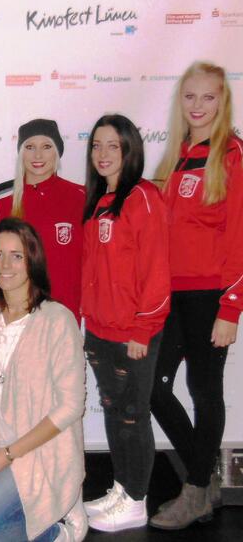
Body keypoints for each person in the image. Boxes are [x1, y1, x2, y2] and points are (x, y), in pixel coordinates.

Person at [149, 62, 243, 530]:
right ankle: (203, 478)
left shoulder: (231, 155)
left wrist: (230, 308)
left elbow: (238, 238)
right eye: (190, 96)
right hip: (172, 298)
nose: (198, 106)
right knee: (153, 388)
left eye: (208, 97)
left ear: (222, 101)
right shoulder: (176, 157)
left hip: (211, 297)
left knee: (205, 393)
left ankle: (195, 492)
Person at [0, 218, 87, 542]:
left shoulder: (57, 320)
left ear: (33, 260)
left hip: (41, 451)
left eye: (17, 255)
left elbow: (71, 406)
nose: (5, 264)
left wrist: (9, 454)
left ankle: (56, 532)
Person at [81, 114, 170, 533]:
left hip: (133, 335)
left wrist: (143, 329)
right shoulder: (99, 200)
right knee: (116, 415)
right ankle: (122, 487)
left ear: (130, 149)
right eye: (97, 145)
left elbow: (155, 271)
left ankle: (136, 499)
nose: (103, 154)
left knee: (134, 416)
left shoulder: (144, 197)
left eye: (113, 145)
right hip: (100, 332)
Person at [0, 119, 85, 322]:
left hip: (65, 315)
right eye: (30, 147)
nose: (38, 155)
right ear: (20, 152)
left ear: (57, 152)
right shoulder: (3, 199)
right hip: (17, 315)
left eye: (47, 147)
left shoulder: (80, 197)